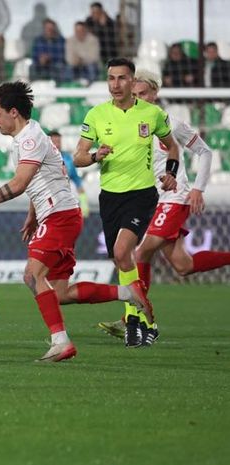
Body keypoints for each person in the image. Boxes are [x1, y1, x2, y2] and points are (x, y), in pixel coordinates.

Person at [0, 81, 150, 362]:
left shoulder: (30, 139)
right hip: (59, 214)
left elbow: (19, 184)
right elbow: (39, 181)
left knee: (32, 276)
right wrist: (33, 215)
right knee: (61, 292)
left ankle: (61, 342)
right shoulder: (28, 137)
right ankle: (127, 291)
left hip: (60, 216)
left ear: (14, 112)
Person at [98, 70, 230, 344]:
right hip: (148, 200)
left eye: (143, 93)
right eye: (135, 94)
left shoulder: (171, 124)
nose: (139, 98)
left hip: (174, 197)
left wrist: (198, 188)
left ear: (155, 94)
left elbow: (205, 152)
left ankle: (143, 319)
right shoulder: (129, 125)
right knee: (182, 264)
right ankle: (134, 316)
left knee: (141, 251)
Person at [73, 57, 180, 348]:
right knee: (120, 260)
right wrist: (95, 156)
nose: (116, 84)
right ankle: (149, 322)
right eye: (111, 78)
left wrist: (171, 173)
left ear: (132, 81)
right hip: (110, 196)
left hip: (142, 194)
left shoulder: (152, 114)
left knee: (123, 252)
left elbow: (172, 147)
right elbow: (78, 157)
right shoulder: (97, 114)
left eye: (121, 78)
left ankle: (132, 321)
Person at [49, 130, 89, 217]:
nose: (57, 145)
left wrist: (83, 201)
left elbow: (76, 178)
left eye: (59, 142)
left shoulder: (67, 158)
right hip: (48, 199)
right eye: (54, 142)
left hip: (65, 198)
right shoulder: (43, 160)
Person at [30, 18, 66, 82]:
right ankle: (34, 84)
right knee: (33, 66)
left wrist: (49, 58)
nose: (49, 30)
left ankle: (58, 85)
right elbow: (34, 56)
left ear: (54, 29)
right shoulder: (38, 40)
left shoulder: (61, 40)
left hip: (55, 65)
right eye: (47, 28)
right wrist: (40, 60)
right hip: (40, 65)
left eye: (51, 28)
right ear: (44, 28)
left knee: (59, 66)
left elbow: (62, 57)